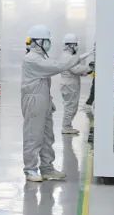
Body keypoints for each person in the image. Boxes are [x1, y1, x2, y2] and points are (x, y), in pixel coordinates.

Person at [21, 25, 89, 183]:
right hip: (34, 101)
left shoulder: (41, 58)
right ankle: (30, 169)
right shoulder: (31, 59)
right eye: (46, 41)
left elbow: (46, 79)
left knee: (47, 136)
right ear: (38, 42)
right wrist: (80, 57)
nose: (48, 44)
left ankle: (47, 168)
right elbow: (58, 66)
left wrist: (48, 100)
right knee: (33, 136)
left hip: (43, 100)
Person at [59, 34, 91, 135]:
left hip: (69, 84)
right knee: (70, 107)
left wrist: (89, 53)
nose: (76, 47)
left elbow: (76, 61)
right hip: (70, 85)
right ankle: (66, 127)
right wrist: (89, 69)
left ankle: (67, 126)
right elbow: (76, 69)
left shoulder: (67, 56)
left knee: (71, 106)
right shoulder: (67, 57)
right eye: (75, 44)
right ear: (70, 45)